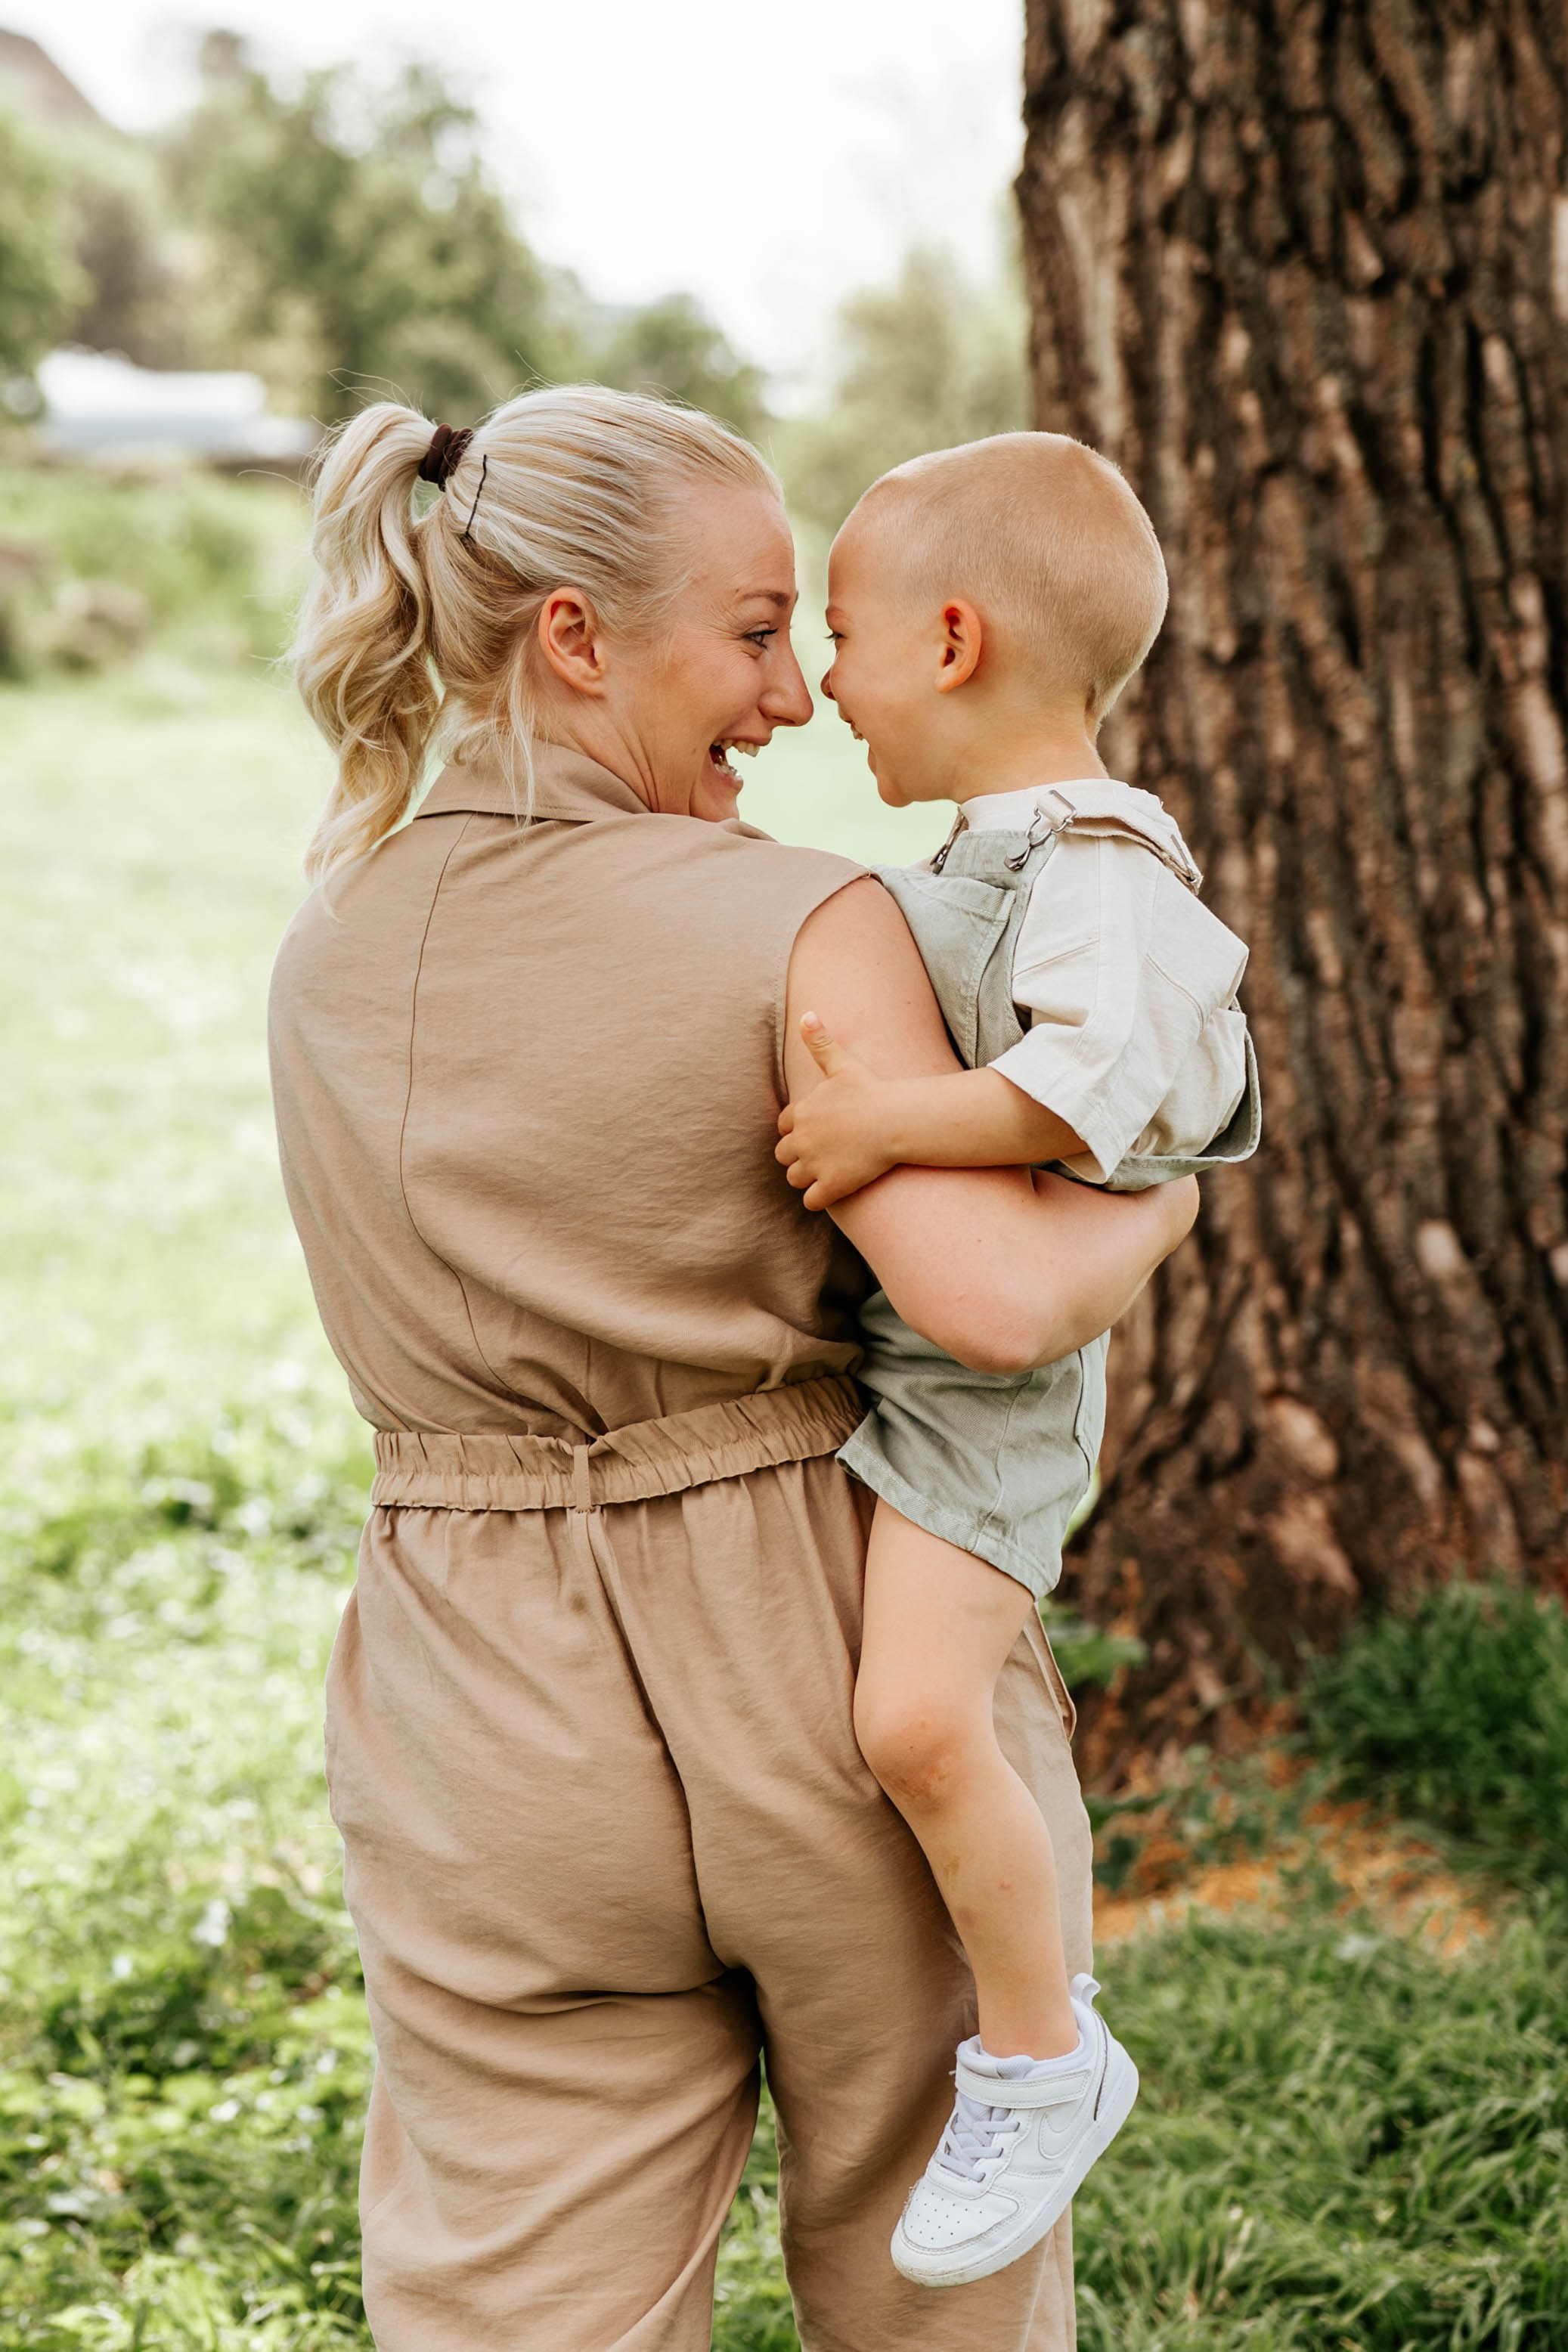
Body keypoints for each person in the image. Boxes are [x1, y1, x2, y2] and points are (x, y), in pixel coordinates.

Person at [268, 384, 1198, 2351]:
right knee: (928, 2279)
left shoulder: (327, 937)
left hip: (473, 1705)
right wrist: (1167, 1208)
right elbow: (999, 1309)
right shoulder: (800, 916)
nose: (789, 704)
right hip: (819, 1642)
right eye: (757, 633)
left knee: (517, 2297)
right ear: (579, 639)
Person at [776, 433, 1261, 2288]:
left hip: (990, 1398)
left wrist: (889, 1117)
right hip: (911, 1368)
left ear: (955, 637)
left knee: (911, 1720)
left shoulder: (1104, 867)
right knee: (888, 1717)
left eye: (842, 634)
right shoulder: (990, 855)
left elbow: (1102, 1089)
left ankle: (1040, 2054)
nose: (825, 682)